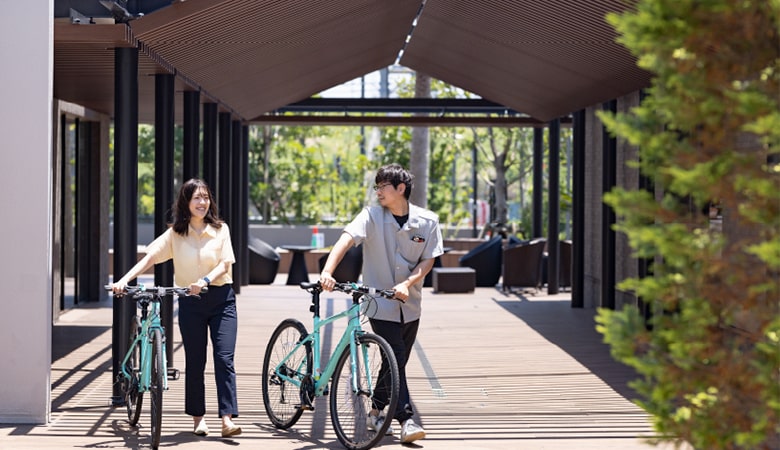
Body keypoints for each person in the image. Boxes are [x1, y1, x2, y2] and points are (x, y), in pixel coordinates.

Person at [319, 163, 443, 444]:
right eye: (376, 187)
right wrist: (327, 271)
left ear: (401, 189)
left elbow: (429, 259)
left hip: (411, 305)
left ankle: (375, 411)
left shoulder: (428, 221)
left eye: (382, 186)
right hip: (379, 302)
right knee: (395, 355)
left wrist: (407, 284)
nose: (377, 192)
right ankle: (406, 419)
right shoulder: (371, 216)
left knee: (394, 363)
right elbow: (346, 239)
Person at [111, 178, 241, 438]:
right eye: (196, 198)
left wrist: (203, 281)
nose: (202, 202)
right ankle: (198, 419)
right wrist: (125, 279)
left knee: (224, 358)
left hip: (221, 299)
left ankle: (227, 419)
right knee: (195, 361)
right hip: (190, 302)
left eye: (205, 197)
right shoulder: (176, 234)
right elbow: (150, 257)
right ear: (186, 202)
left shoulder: (220, 230)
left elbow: (225, 264)